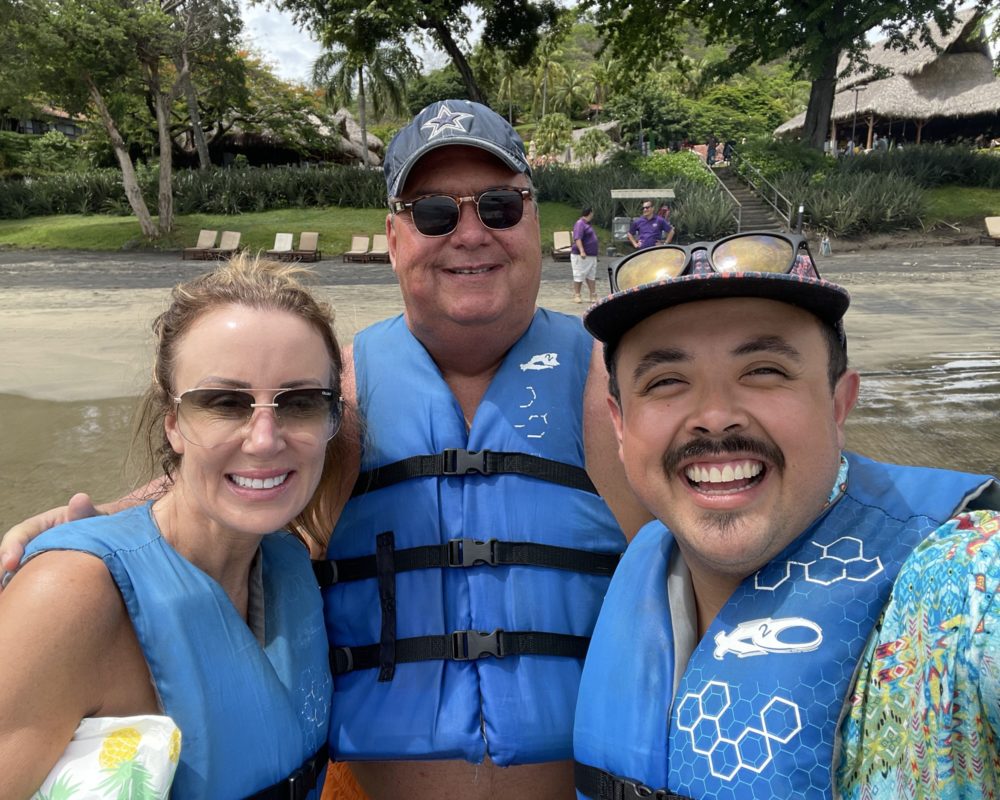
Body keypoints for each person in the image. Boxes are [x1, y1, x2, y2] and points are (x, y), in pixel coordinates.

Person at [2, 99, 647, 800]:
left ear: (534, 221)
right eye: (433, 213)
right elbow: (240, 462)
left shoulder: (622, 386)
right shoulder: (332, 395)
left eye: (499, 206)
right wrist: (99, 523)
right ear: (394, 238)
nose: (470, 233)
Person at [571, 234, 1000, 799]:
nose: (715, 417)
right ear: (620, 426)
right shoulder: (646, 564)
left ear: (838, 405)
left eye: (764, 370)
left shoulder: (963, 584)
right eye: (666, 381)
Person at [0, 255, 346, 799]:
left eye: (301, 402)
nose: (264, 440)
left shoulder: (288, 560)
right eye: (224, 403)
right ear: (174, 425)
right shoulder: (69, 595)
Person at [571, 205, 599, 304]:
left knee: (591, 276)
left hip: (591, 255)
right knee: (579, 274)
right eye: (592, 212)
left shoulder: (588, 224)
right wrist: (582, 251)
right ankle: (577, 295)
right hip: (581, 255)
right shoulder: (580, 223)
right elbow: (577, 238)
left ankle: (593, 294)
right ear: (590, 212)